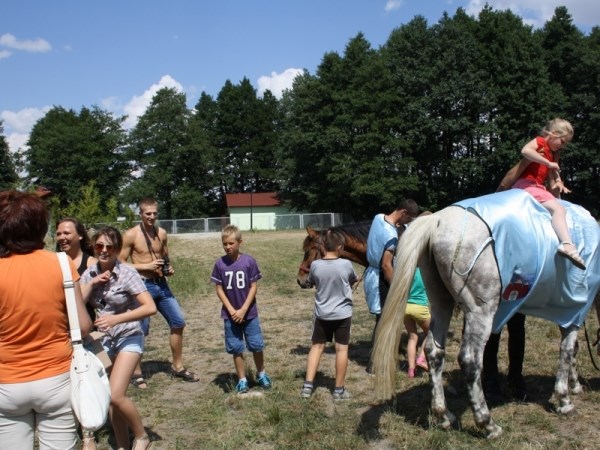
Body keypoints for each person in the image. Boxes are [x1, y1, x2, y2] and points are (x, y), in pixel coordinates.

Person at [0, 190, 92, 450]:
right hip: (56, 379)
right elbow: (84, 326)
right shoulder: (61, 264)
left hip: (6, 383)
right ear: (39, 226)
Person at [80, 226, 157, 450]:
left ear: (117, 249)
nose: (103, 250)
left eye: (109, 247)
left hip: (129, 335)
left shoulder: (127, 273)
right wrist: (92, 283)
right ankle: (122, 445)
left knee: (116, 394)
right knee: (111, 398)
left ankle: (142, 436)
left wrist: (116, 320)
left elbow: (149, 307)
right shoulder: (90, 272)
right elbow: (78, 301)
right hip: (104, 341)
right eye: (99, 246)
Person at [120, 197, 199, 387]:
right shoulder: (130, 235)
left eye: (155, 213)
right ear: (140, 214)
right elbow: (120, 262)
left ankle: (177, 366)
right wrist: (145, 265)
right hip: (142, 286)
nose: (152, 216)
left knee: (178, 321)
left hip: (161, 284)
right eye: (148, 213)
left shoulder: (161, 233)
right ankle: (136, 372)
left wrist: (168, 268)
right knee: (140, 330)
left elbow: (165, 255)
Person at [511, 118, 585, 270]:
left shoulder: (551, 154)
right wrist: (548, 163)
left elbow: (554, 172)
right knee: (559, 210)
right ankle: (567, 245)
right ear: (554, 134)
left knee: (558, 206)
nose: (562, 147)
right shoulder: (540, 142)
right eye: (562, 142)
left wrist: (559, 182)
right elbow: (525, 150)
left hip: (537, 187)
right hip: (527, 185)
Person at [210, 224, 272, 394]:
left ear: (240, 242)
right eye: (225, 244)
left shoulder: (249, 261)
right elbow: (219, 289)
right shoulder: (220, 264)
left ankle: (261, 374)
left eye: (231, 243)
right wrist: (232, 310)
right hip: (231, 315)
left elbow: (253, 287)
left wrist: (243, 309)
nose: (228, 247)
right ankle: (242, 380)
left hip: (249, 313)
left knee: (256, 345)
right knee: (236, 348)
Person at [300, 230, 358, 400]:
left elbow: (311, 281)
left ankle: (307, 387)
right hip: (342, 315)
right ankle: (339, 390)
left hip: (321, 314)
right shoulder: (346, 264)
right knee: (341, 350)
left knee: (316, 347)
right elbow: (352, 279)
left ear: (323, 247)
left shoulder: (316, 265)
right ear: (340, 247)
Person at [364, 199, 419, 329]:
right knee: (385, 319)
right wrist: (396, 287)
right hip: (381, 279)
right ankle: (379, 348)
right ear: (403, 212)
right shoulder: (391, 236)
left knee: (380, 317)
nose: (408, 222)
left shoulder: (378, 217)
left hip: (371, 272)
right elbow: (386, 265)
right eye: (409, 219)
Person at [482, 313, 527, 404]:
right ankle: (490, 383)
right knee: (492, 331)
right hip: (495, 301)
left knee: (518, 326)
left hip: (516, 300)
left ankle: (516, 378)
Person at [404, 268, 430, 378]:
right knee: (431, 333)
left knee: (412, 337)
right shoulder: (424, 271)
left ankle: (411, 370)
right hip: (420, 307)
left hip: (405, 307)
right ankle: (421, 358)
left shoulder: (406, 271)